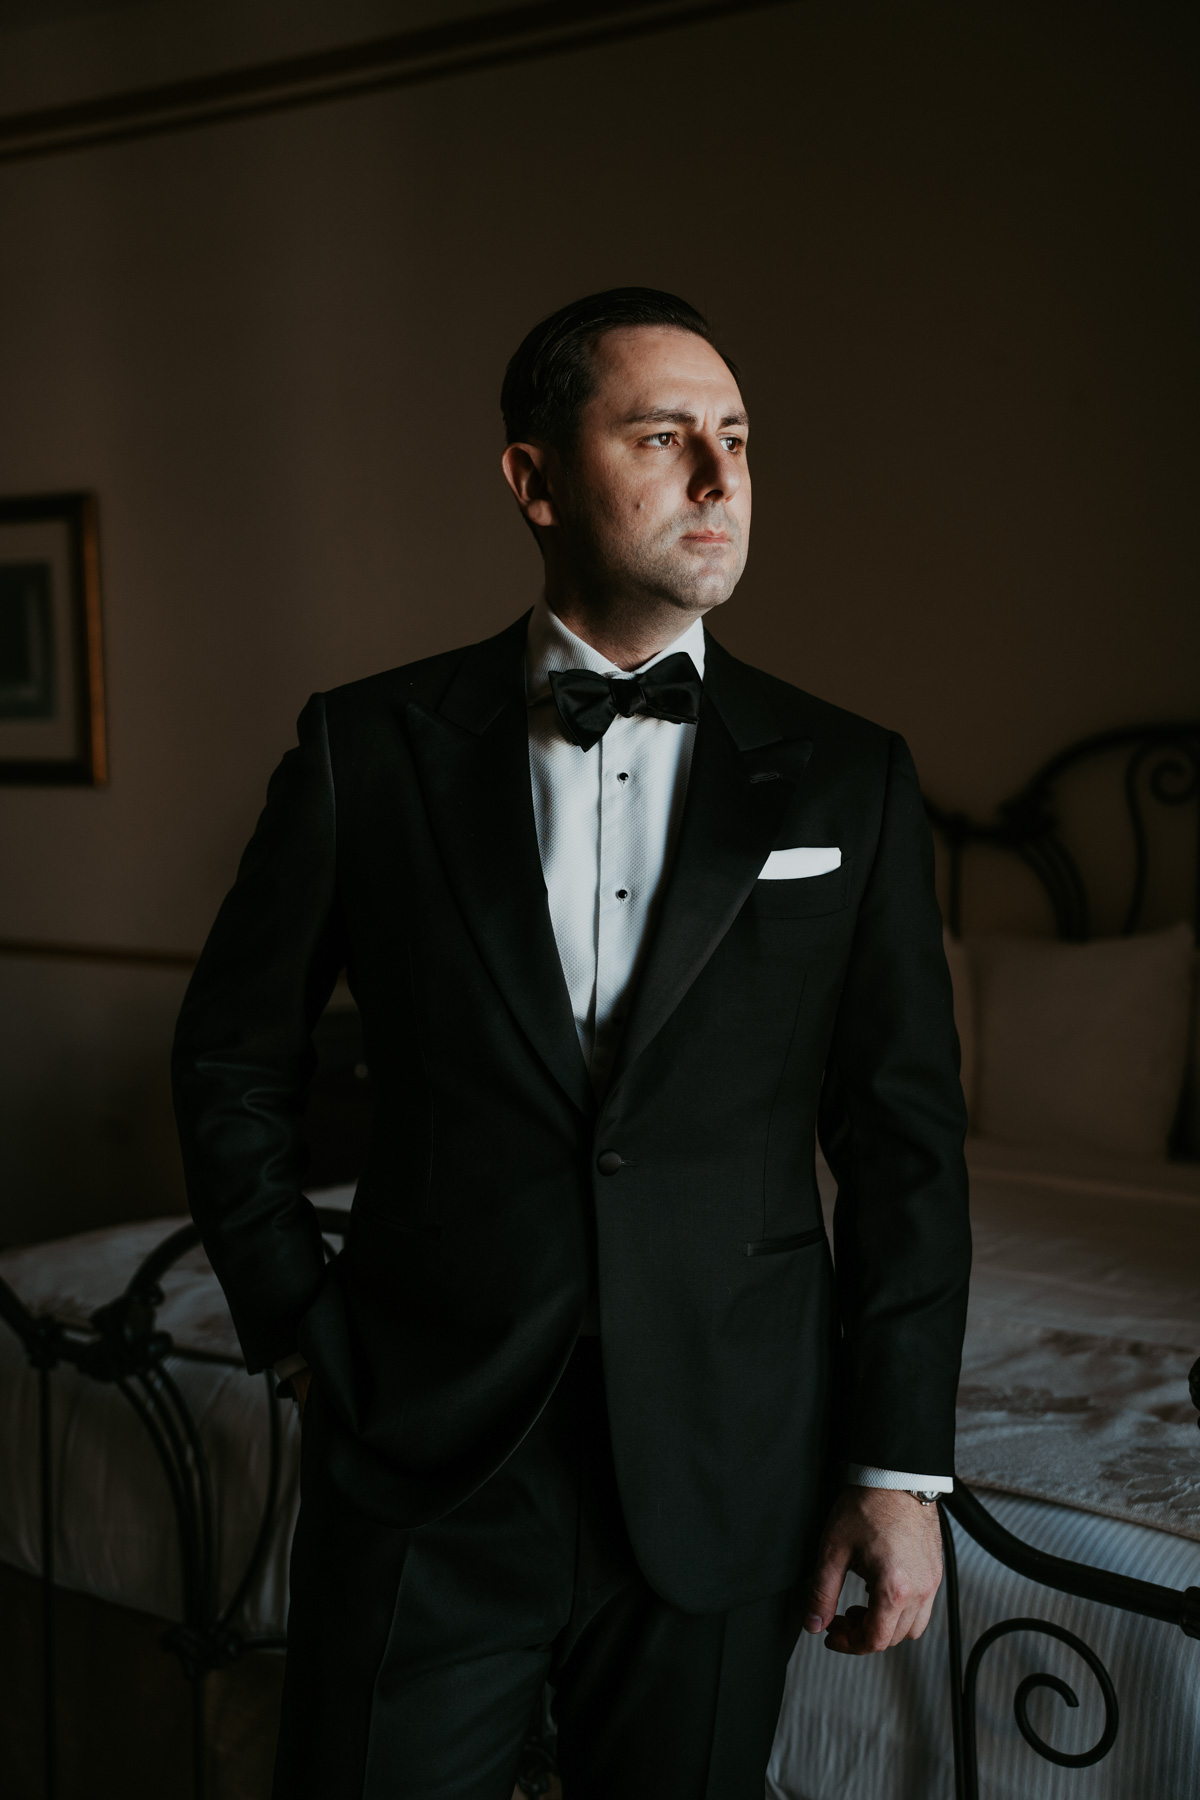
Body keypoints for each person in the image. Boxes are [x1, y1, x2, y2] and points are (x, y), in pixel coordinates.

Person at [172, 287, 971, 1800]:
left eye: (735, 440)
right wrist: (296, 1320)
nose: (721, 483)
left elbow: (904, 1140)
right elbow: (229, 1055)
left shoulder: (850, 779)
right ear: (533, 480)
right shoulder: (369, 747)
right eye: (665, 438)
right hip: (424, 1448)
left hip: (732, 1461)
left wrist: (894, 1467)